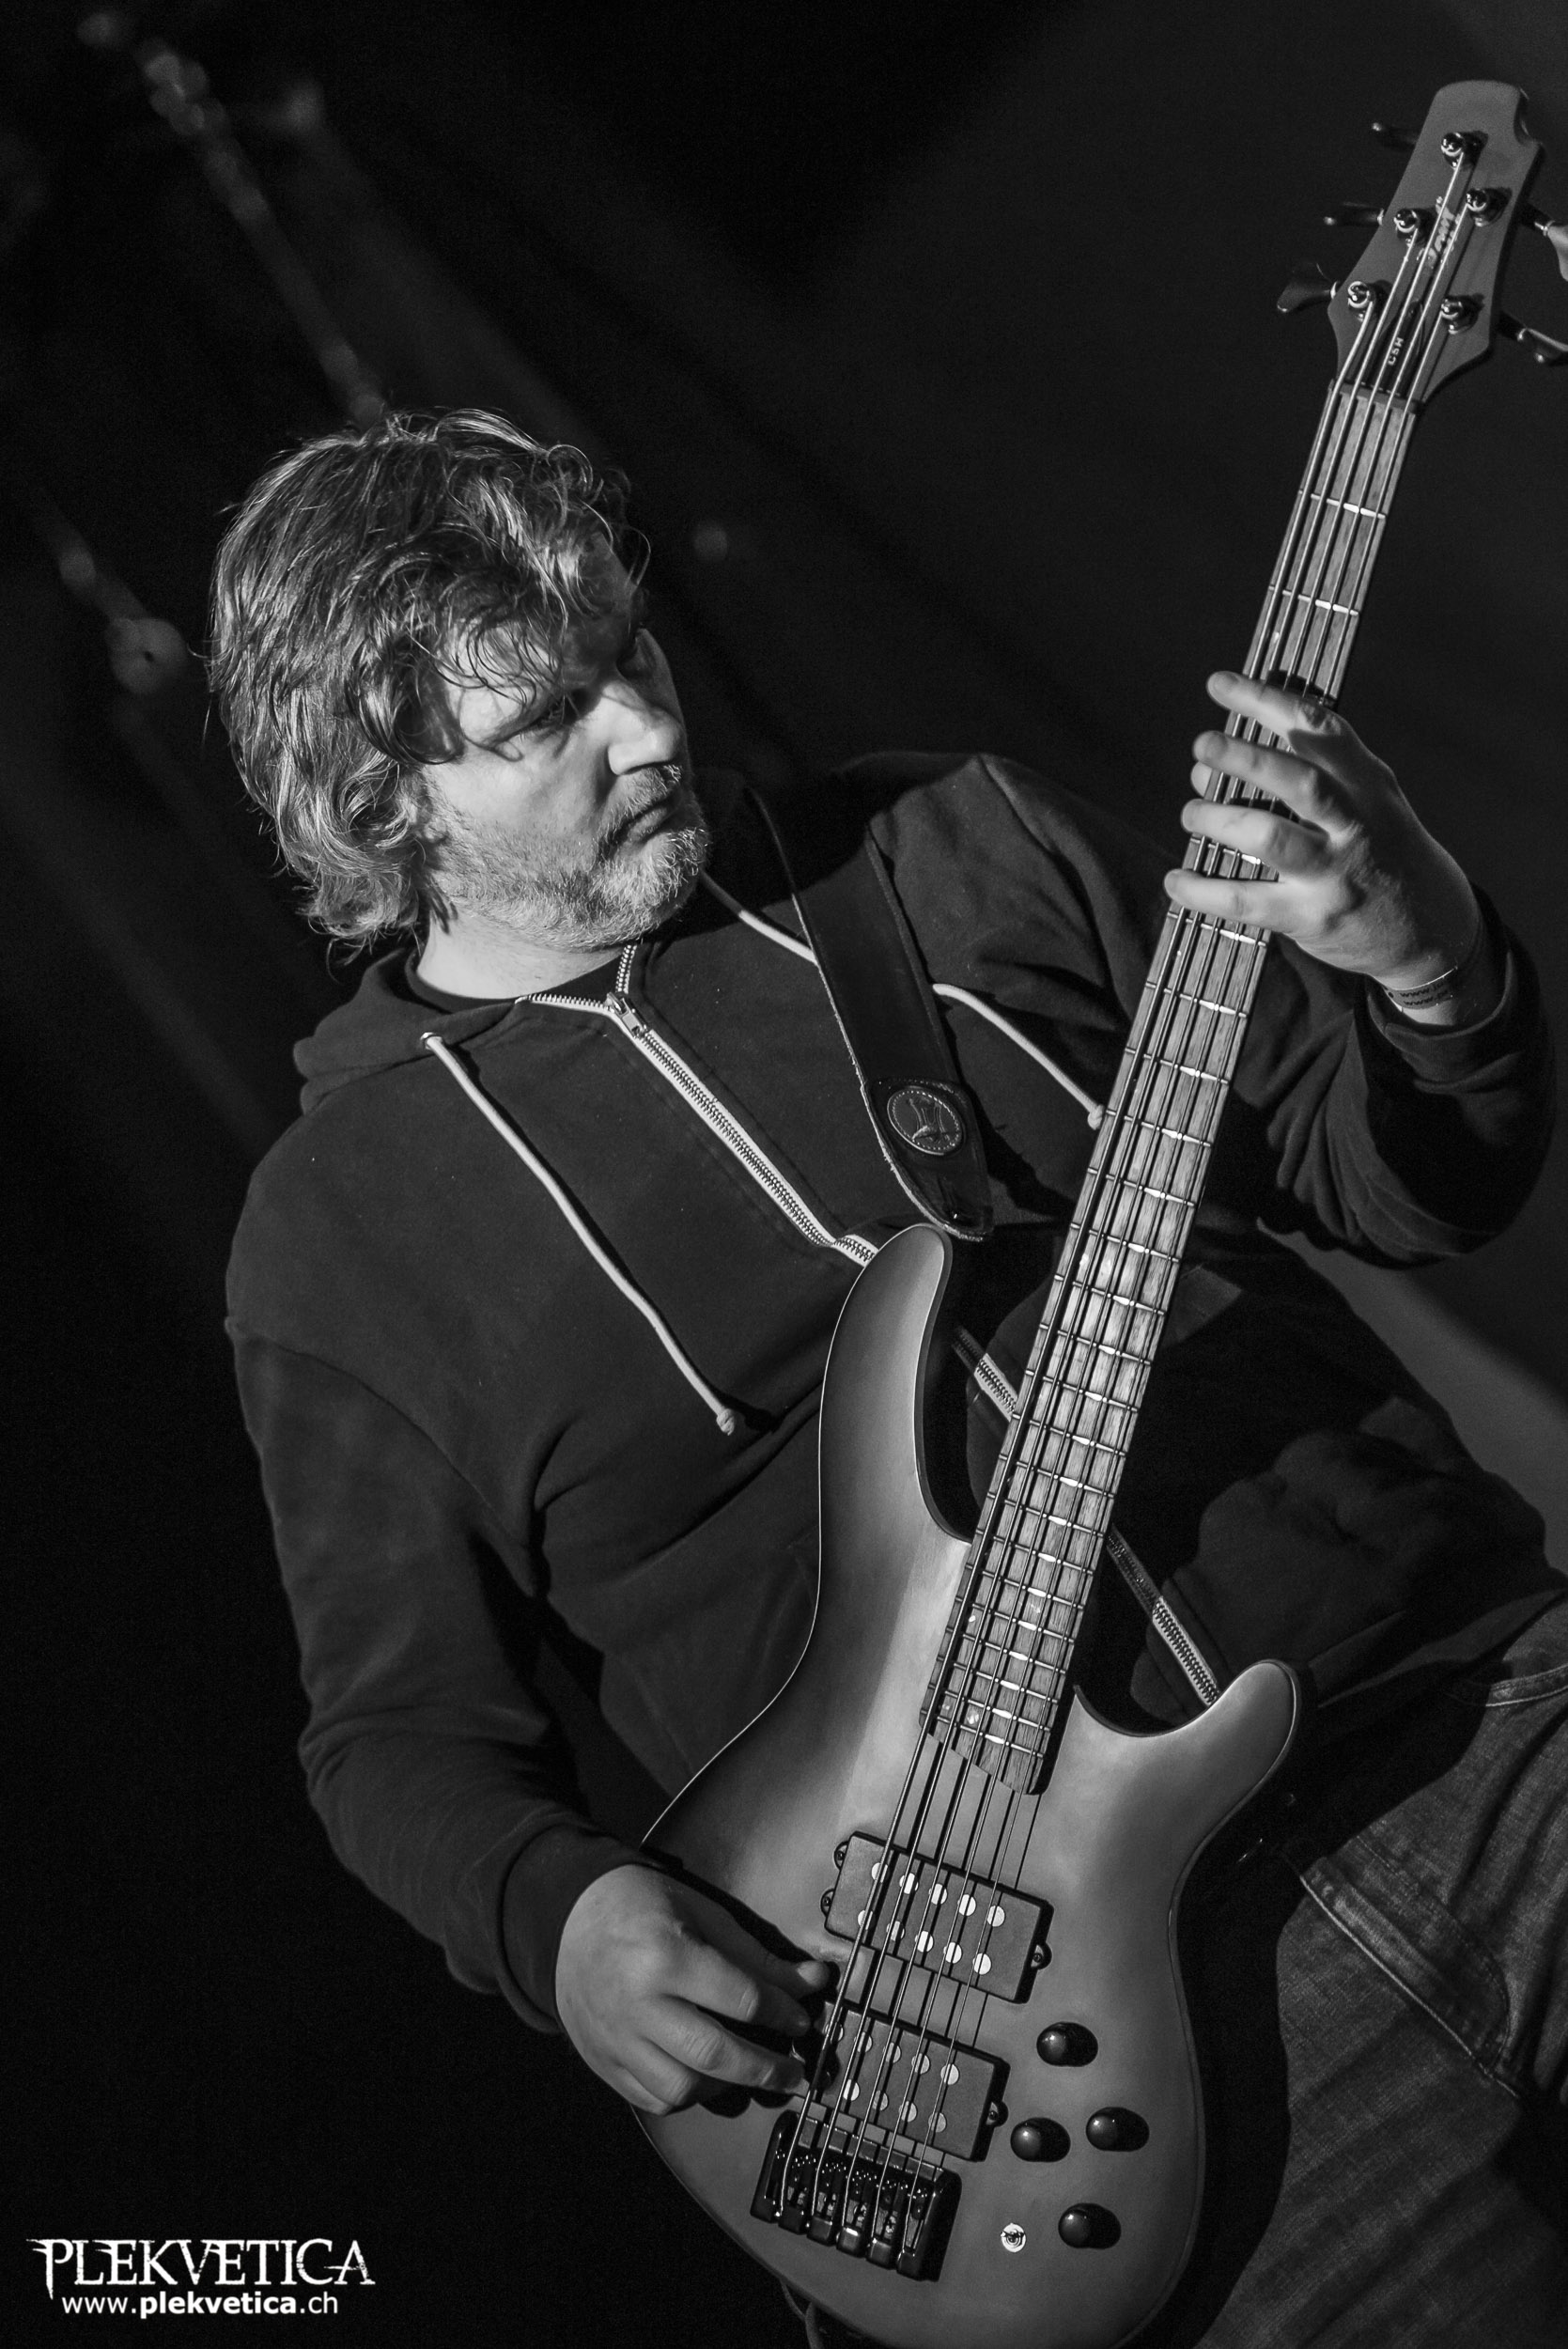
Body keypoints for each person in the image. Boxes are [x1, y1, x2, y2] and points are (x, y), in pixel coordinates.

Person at [213, 409, 1566, 2342]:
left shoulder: (949, 846)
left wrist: (1427, 966)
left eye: (631, 655)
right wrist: (567, 1922)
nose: (646, 727)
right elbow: (397, 1735)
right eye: (548, 720)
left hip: (1488, 1727)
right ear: (383, 803)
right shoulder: (343, 1233)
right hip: (1108, 2052)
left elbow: (1399, 1182)